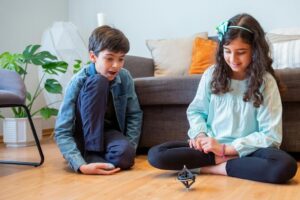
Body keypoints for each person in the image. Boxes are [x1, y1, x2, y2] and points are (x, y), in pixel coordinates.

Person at [148, 13, 298, 183]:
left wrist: (227, 149)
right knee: (157, 155)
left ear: (255, 51)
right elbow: (197, 111)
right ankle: (229, 166)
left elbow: (270, 135)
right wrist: (201, 136)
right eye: (227, 51)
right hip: (210, 149)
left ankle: (211, 168)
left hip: (248, 151)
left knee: (285, 165)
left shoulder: (266, 82)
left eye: (241, 52)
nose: (233, 59)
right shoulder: (211, 74)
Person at [55, 25, 143, 175]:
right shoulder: (78, 81)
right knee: (98, 81)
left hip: (108, 133)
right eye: (109, 58)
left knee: (126, 157)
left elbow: (134, 115)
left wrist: (130, 147)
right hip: (82, 135)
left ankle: (97, 156)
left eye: (121, 59)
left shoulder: (125, 77)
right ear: (93, 56)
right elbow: (62, 129)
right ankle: (90, 154)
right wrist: (80, 165)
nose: (116, 65)